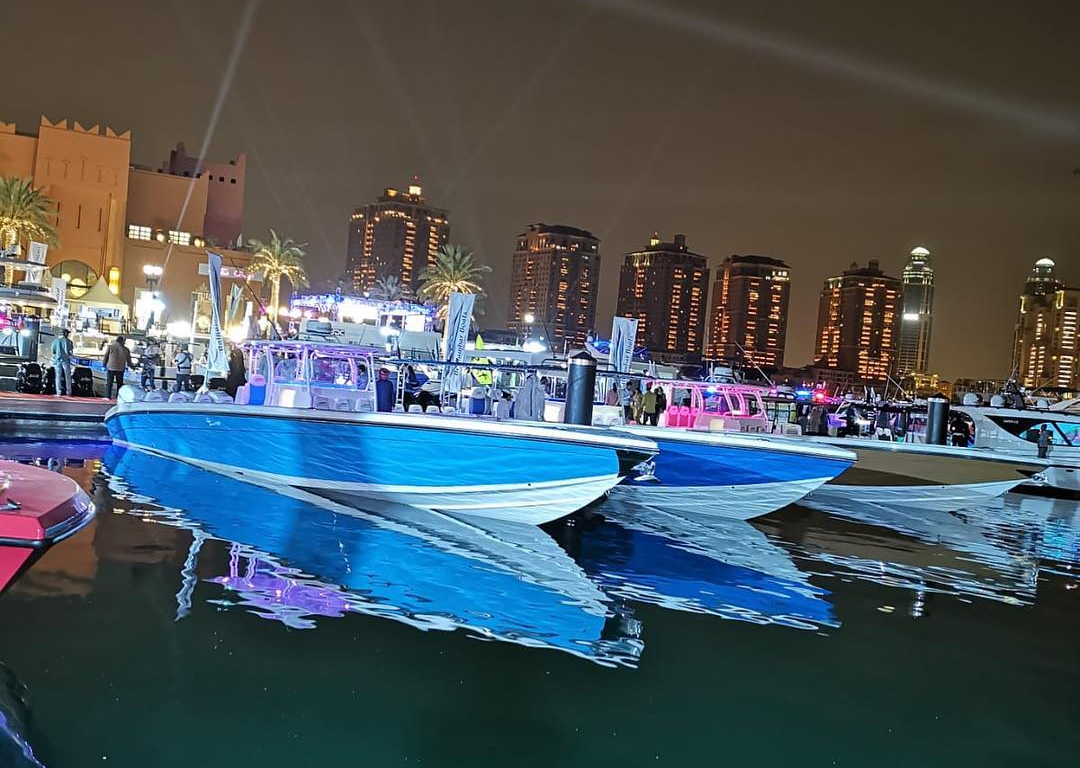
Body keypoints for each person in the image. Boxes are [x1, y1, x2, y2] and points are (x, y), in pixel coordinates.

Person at [102, 335, 133, 399]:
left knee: (109, 383)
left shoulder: (110, 347)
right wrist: (132, 367)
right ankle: (118, 397)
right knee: (119, 384)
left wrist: (104, 365)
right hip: (121, 369)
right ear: (122, 341)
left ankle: (107, 396)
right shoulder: (126, 349)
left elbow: (106, 357)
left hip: (111, 368)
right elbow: (129, 360)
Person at [50, 328, 74, 396]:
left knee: (58, 376)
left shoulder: (55, 341)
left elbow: (53, 350)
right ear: (65, 333)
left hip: (57, 360)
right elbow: (70, 351)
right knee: (68, 376)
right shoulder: (69, 341)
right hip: (66, 360)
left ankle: (59, 391)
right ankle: (69, 391)